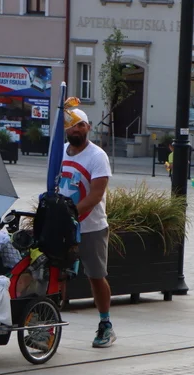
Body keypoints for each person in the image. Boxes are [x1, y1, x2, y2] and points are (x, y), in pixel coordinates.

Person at [58, 108, 116, 348]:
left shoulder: (97, 156)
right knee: (56, 274)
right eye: (72, 126)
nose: (76, 130)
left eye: (80, 125)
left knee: (96, 276)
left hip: (91, 227)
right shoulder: (60, 152)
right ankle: (49, 324)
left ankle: (106, 324)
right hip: (62, 227)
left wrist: (72, 213)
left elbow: (95, 195)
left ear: (88, 127)